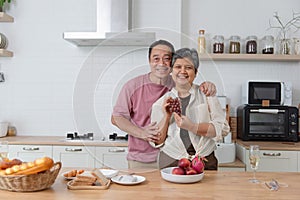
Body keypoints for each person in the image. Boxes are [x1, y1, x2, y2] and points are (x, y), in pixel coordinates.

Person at [111, 40, 217, 169]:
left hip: (174, 158)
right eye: (156, 58)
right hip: (142, 159)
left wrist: (208, 85)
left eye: (166, 59)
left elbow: (196, 90)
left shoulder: (179, 86)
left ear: (172, 63)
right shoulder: (133, 86)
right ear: (149, 61)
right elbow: (116, 118)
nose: (161, 63)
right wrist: (142, 133)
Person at [150, 48, 230, 170]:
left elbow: (223, 129)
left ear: (196, 72)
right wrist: (166, 116)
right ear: (171, 70)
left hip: (205, 161)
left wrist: (192, 127)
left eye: (188, 67)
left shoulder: (207, 95)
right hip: (171, 161)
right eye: (178, 67)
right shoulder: (161, 103)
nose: (183, 71)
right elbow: (157, 141)